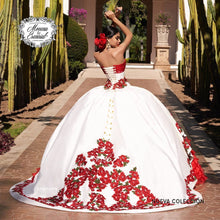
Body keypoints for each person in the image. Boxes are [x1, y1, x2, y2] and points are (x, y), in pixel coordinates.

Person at [10, 9, 207, 213]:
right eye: (116, 37)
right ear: (111, 41)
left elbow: (111, 43)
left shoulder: (98, 54)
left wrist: (108, 29)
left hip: (105, 91)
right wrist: (115, 19)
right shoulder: (118, 52)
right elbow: (130, 35)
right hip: (123, 91)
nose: (119, 39)